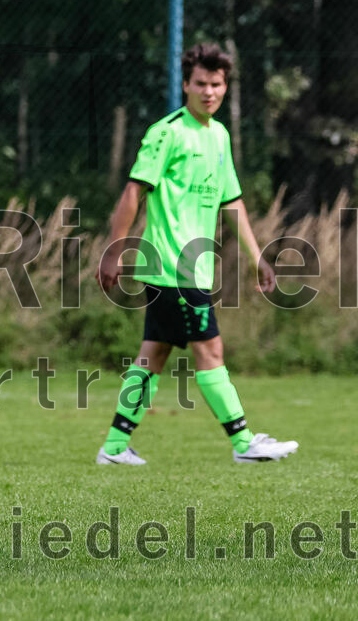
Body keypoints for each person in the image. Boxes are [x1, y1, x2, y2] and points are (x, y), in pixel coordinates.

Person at [94, 42, 298, 465]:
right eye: (201, 84)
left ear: (226, 88)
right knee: (211, 352)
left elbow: (233, 203)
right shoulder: (167, 132)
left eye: (217, 84)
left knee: (153, 353)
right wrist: (114, 250)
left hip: (194, 268)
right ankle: (243, 443)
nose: (209, 92)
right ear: (186, 85)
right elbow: (135, 190)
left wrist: (258, 256)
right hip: (174, 265)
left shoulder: (219, 135)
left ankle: (114, 446)